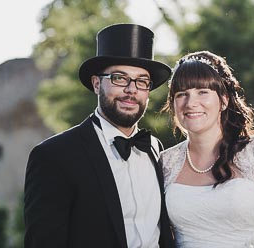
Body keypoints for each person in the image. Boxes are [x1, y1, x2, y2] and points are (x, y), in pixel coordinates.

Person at [24, 23, 175, 248]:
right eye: (119, 78)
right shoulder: (53, 156)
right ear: (97, 84)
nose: (131, 90)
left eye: (141, 81)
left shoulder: (154, 147)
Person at [160, 50, 254, 247]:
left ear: (224, 100)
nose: (191, 103)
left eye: (202, 92)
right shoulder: (166, 162)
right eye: (182, 94)